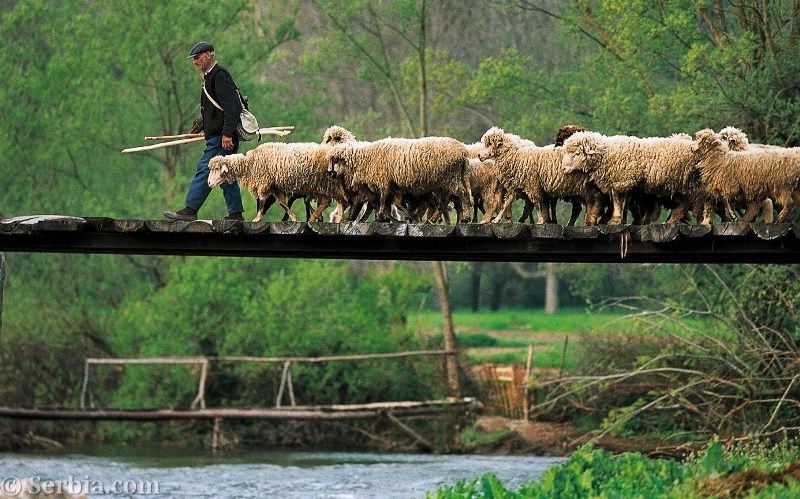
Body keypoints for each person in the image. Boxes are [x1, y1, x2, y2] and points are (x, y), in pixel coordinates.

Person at [164, 41, 245, 221]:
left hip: (221, 139)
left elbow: (232, 107)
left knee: (205, 169)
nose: (194, 61)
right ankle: (236, 213)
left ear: (208, 55)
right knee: (225, 175)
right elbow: (214, 110)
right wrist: (199, 127)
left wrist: (227, 133)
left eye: (197, 57)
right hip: (217, 137)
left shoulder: (219, 75)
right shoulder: (209, 77)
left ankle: (189, 210)